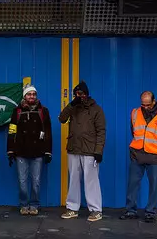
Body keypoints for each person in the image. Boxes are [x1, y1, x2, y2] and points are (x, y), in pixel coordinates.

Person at [120, 91, 157, 223]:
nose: (145, 107)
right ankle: (130, 210)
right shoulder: (135, 113)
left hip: (155, 156)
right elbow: (134, 132)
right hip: (137, 155)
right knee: (132, 184)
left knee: (154, 185)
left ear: (154, 101)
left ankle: (150, 212)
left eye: (148, 104)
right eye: (143, 104)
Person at [59, 81, 106, 222]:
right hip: (74, 148)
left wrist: (99, 151)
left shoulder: (96, 109)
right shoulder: (73, 108)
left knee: (91, 181)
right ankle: (72, 208)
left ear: (87, 93)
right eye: (77, 94)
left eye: (82, 93)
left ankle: (96, 210)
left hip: (90, 150)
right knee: (73, 180)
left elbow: (101, 131)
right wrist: (71, 104)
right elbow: (62, 118)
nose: (80, 96)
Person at [7, 84, 52, 215]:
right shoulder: (17, 111)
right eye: (29, 94)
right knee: (22, 181)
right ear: (24, 96)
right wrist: (10, 150)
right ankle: (24, 204)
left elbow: (48, 132)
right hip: (21, 152)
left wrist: (48, 151)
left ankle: (34, 204)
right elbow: (12, 130)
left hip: (38, 152)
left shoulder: (43, 111)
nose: (31, 96)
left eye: (34, 94)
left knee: (36, 181)